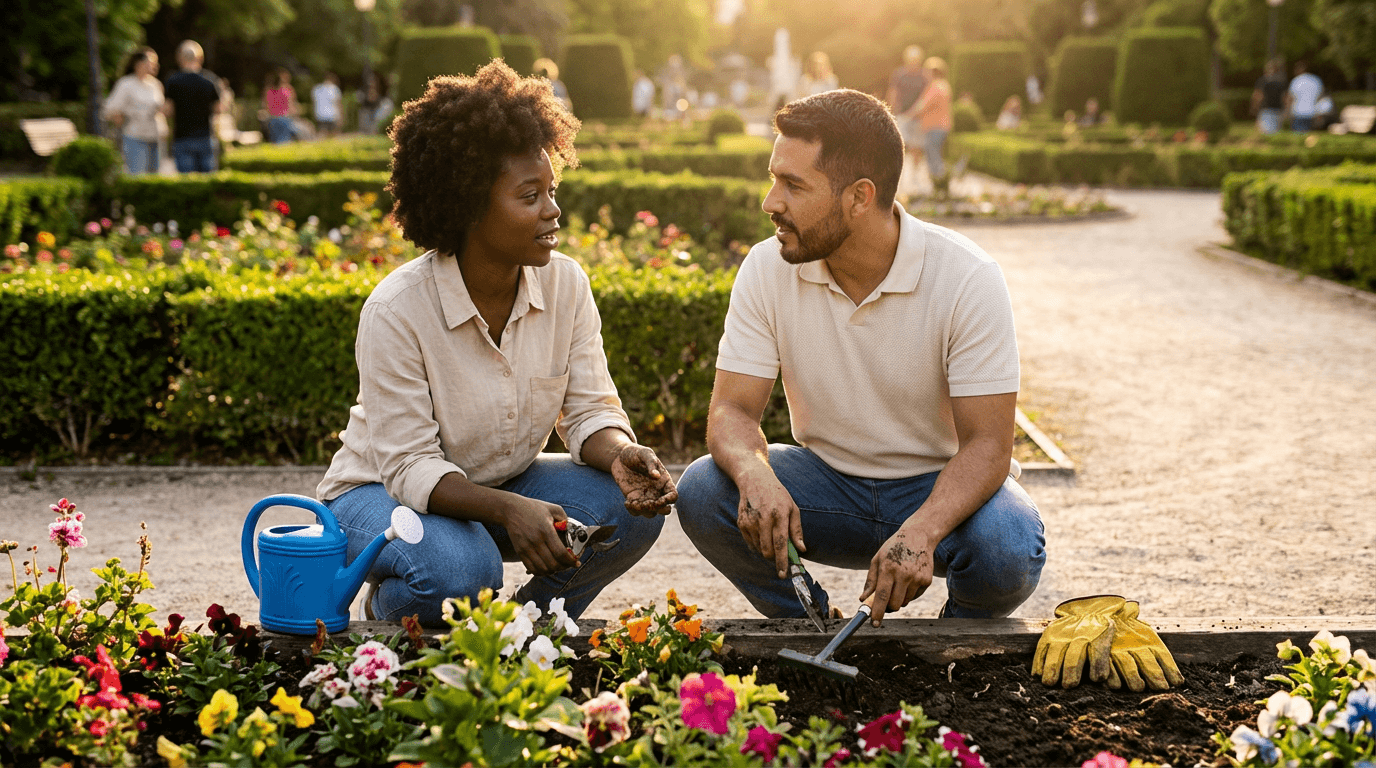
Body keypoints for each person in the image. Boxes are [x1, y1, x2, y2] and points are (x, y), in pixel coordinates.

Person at [316, 61, 676, 625]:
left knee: (628, 512)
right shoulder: (397, 310)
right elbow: (409, 466)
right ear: (468, 206)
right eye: (530, 195)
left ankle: (528, 627)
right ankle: (392, 604)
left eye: (551, 189)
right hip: (377, 494)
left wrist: (620, 453)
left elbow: (588, 412)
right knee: (460, 574)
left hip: (502, 483)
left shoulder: (566, 284)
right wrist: (511, 510)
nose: (553, 210)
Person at [675, 89, 1044, 626]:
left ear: (859, 196)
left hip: (937, 489)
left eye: (793, 185)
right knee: (705, 490)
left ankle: (952, 644)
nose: (769, 201)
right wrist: (756, 475)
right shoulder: (766, 267)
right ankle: (810, 624)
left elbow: (989, 444)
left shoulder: (967, 277)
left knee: (1008, 544)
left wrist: (922, 530)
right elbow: (731, 412)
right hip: (824, 488)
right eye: (774, 177)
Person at [102, 47, 165, 175]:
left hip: (154, 136)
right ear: (139, 63)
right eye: (151, 61)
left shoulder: (155, 85)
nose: (155, 65)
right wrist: (119, 117)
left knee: (154, 176)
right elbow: (109, 108)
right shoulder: (126, 84)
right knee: (137, 176)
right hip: (135, 136)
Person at [162, 40, 222, 173]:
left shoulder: (173, 80)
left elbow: (168, 111)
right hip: (206, 136)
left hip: (182, 137)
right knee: (207, 182)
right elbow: (218, 109)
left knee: (187, 184)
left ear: (179, 58)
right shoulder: (210, 80)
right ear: (200, 57)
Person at [909, 57, 953, 184]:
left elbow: (923, 106)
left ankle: (940, 183)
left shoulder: (936, 86)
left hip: (935, 127)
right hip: (939, 127)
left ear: (934, 72)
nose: (925, 74)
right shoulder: (943, 85)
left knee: (933, 155)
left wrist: (910, 115)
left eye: (927, 71)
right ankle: (939, 182)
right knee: (934, 154)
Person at [885, 45, 928, 173]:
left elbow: (925, 96)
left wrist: (916, 112)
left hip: (918, 117)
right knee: (900, 145)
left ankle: (915, 172)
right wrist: (889, 112)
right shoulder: (899, 74)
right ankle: (899, 173)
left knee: (917, 146)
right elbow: (893, 93)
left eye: (916, 59)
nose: (913, 62)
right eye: (911, 59)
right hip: (902, 115)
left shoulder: (924, 76)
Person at [1251, 58, 1287, 135]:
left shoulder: (1263, 80)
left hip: (1266, 110)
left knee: (1265, 134)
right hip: (1278, 110)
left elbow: (1258, 96)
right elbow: (1285, 98)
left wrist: (1255, 108)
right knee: (1276, 134)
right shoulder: (1281, 81)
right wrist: (1286, 110)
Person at [262, 68, 298, 144]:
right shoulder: (287, 90)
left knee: (275, 142)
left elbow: (266, 107)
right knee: (285, 142)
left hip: (272, 119)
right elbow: (292, 106)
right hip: (285, 118)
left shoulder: (267, 90)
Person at [1285, 61, 1323, 132]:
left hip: (1298, 113)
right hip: (1312, 113)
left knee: (1297, 137)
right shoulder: (1316, 80)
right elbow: (1320, 98)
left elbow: (1290, 98)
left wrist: (1287, 112)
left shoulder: (1296, 81)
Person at [312, 72, 343, 138]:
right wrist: (341, 116)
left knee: (322, 134)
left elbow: (314, 103)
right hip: (333, 115)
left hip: (320, 115)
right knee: (335, 135)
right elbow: (338, 104)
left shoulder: (316, 89)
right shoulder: (334, 89)